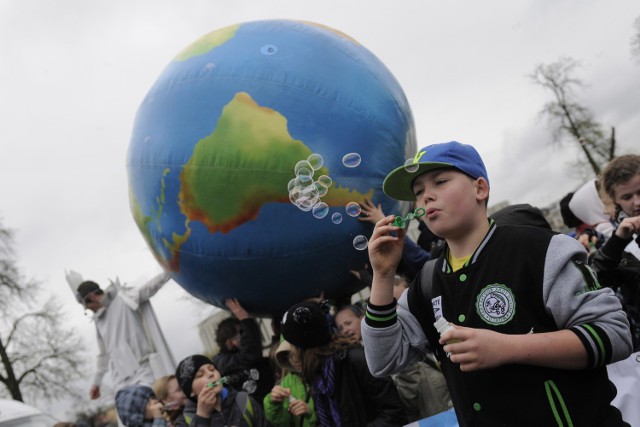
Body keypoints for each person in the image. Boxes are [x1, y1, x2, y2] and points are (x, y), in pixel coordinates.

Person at [361, 141, 633, 426]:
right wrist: (383, 275)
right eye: (418, 192)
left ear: (480, 189)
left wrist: (507, 347)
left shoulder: (541, 250)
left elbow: (613, 335)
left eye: (440, 182)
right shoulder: (427, 282)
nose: (426, 197)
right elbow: (384, 361)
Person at [281, 300, 407, 427]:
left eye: (292, 344)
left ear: (302, 346)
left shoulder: (355, 360)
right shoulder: (318, 374)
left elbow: (394, 412)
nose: (290, 351)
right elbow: (325, 419)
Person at [66, 270, 176, 400]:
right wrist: (96, 382)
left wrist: (171, 269)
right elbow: (104, 354)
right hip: (121, 378)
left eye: (86, 305)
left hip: (143, 369)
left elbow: (149, 288)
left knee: (153, 405)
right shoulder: (98, 321)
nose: (87, 310)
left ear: (91, 296)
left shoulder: (123, 298)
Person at [589, 154, 640, 425]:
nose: (637, 203)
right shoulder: (618, 245)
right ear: (615, 202)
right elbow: (596, 284)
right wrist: (618, 241)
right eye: (628, 196)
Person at [174, 354, 269, 427]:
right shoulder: (184, 421)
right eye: (200, 375)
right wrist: (202, 416)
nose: (211, 374)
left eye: (212, 369)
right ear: (190, 391)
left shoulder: (243, 400)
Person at [212, 298, 275, 401]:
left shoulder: (240, 357)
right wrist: (245, 320)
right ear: (230, 342)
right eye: (242, 333)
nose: (245, 335)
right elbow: (250, 354)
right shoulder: (223, 363)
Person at [263, 338, 317, 427]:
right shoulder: (287, 382)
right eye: (289, 354)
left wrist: (311, 411)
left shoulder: (324, 373)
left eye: (298, 353)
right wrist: (274, 405)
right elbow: (283, 423)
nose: (294, 360)